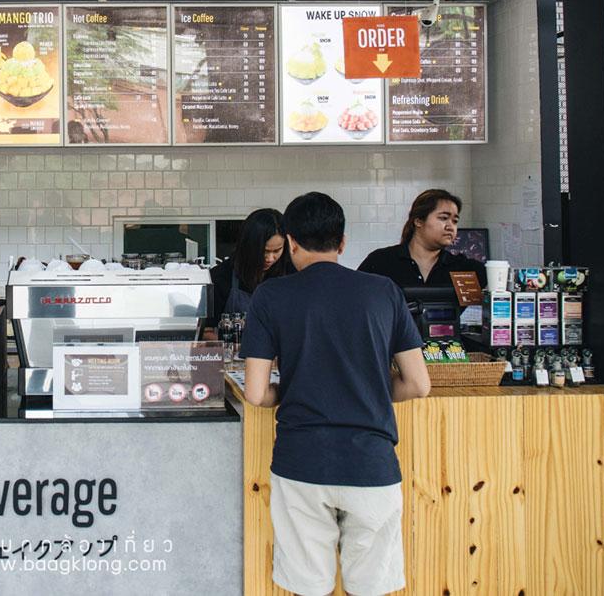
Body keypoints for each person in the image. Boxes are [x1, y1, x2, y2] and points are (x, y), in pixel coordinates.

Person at [240, 192, 430, 596]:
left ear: (291, 243)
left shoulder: (270, 297)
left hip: (301, 463)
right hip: (372, 465)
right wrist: (368, 387)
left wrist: (291, 388)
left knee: (309, 587)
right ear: (342, 243)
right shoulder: (383, 291)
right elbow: (418, 384)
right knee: (370, 588)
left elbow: (256, 393)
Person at [358, 188, 487, 289]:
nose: (450, 227)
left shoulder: (466, 268)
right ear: (418, 221)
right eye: (443, 218)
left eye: (455, 221)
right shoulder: (380, 261)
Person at [207, 208, 292, 333]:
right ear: (248, 245)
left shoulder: (291, 273)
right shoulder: (221, 276)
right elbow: (206, 332)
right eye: (265, 251)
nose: (270, 258)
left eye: (277, 250)